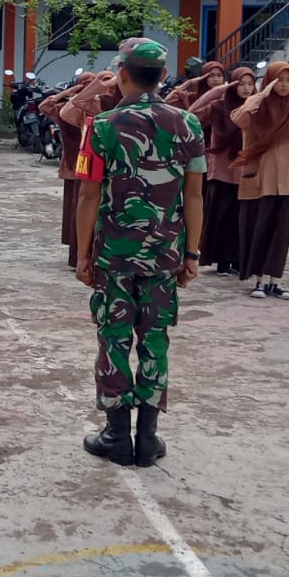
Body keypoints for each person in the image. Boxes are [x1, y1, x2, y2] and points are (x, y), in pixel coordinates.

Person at [74, 39, 205, 468]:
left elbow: (88, 194)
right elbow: (195, 195)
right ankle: (147, 438)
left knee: (113, 339)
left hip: (115, 254)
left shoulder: (102, 126)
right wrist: (192, 253)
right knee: (155, 339)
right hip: (165, 255)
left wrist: (82, 255)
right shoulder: (188, 125)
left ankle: (117, 434)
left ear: (123, 75)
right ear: (163, 76)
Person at [232, 61, 289, 299]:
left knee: (281, 233)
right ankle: (259, 281)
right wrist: (260, 95)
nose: (284, 85)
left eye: (288, 80)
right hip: (259, 181)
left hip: (286, 182)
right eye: (279, 80)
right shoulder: (256, 112)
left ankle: (276, 281)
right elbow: (238, 118)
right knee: (259, 230)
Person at [188, 67, 254, 276]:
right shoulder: (217, 106)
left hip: (247, 172)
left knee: (241, 219)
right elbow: (192, 114)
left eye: (250, 84)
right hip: (223, 171)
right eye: (240, 83)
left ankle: (238, 260)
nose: (245, 88)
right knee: (222, 217)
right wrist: (219, 90)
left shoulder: (255, 107)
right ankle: (222, 261)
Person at [40, 72, 96, 265]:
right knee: (75, 212)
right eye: (84, 83)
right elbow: (45, 107)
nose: (88, 86)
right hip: (74, 165)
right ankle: (76, 255)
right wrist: (68, 93)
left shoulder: (101, 107)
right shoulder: (69, 108)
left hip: (94, 167)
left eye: (92, 82)